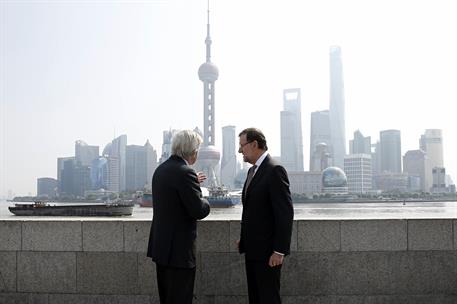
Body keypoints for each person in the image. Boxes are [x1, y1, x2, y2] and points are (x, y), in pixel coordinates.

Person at [147, 129, 210, 304]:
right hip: (179, 253)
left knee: (167, 298)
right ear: (192, 151)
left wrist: (191, 183)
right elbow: (199, 210)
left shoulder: (161, 170)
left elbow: (173, 195)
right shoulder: (186, 172)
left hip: (162, 249)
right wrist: (203, 196)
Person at [237, 128, 294, 304]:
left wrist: (279, 251)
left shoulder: (275, 170)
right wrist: (243, 238)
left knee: (268, 298)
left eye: (242, 146)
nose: (240, 151)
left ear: (255, 144)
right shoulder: (251, 172)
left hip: (269, 254)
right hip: (252, 250)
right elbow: (251, 211)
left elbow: (285, 213)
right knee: (255, 298)